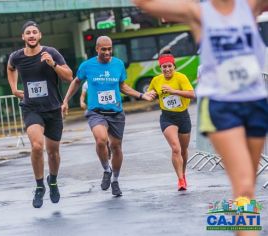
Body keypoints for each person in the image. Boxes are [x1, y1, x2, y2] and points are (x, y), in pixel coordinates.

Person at [134, 1, 268, 232]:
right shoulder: (198, 12)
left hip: (255, 101)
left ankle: (241, 227)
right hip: (221, 105)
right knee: (243, 184)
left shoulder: (249, 6)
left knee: (248, 187)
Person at [62, 36, 154, 196]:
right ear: (97, 49)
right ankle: (106, 169)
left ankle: (115, 180)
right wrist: (65, 101)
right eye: (103, 49)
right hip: (96, 112)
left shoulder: (118, 64)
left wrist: (141, 95)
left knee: (116, 147)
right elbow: (76, 81)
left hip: (116, 112)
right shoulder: (87, 65)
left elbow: (122, 86)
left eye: (109, 49)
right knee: (101, 140)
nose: (107, 52)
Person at [7, 20, 73, 208]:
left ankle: (52, 182)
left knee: (53, 153)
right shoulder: (16, 57)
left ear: (40, 35)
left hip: (52, 109)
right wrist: (13, 88)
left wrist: (53, 65)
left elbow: (68, 76)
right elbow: (10, 68)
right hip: (31, 108)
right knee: (37, 146)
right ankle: (39, 186)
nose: (32, 35)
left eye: (35, 32)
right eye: (28, 33)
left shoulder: (51, 53)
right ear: (23, 37)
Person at [146, 50, 195, 191]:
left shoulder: (181, 78)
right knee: (175, 148)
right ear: (160, 68)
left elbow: (192, 94)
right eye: (164, 67)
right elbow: (150, 94)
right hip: (167, 117)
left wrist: (174, 91)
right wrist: (150, 95)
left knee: (184, 150)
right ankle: (180, 180)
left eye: (169, 66)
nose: (167, 69)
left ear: (174, 66)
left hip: (183, 116)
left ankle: (183, 174)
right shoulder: (156, 80)